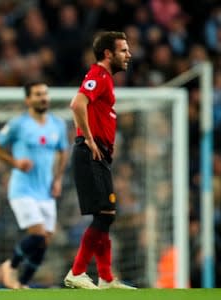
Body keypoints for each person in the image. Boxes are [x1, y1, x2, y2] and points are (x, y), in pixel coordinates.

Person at [63, 31, 136, 289]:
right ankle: (77, 271)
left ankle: (105, 278)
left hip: (99, 154)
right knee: (104, 215)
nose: (129, 55)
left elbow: (81, 107)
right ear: (108, 53)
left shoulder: (105, 79)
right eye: (124, 50)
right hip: (91, 152)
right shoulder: (99, 75)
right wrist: (89, 139)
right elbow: (76, 103)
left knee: (107, 214)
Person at [0, 81, 69, 289]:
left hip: (46, 190)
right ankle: (10, 265)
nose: (43, 97)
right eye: (38, 94)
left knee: (44, 241)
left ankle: (22, 283)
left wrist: (58, 179)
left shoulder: (58, 124)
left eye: (45, 93)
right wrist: (15, 162)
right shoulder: (18, 124)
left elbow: (63, 151)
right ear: (28, 100)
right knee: (38, 234)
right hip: (22, 189)